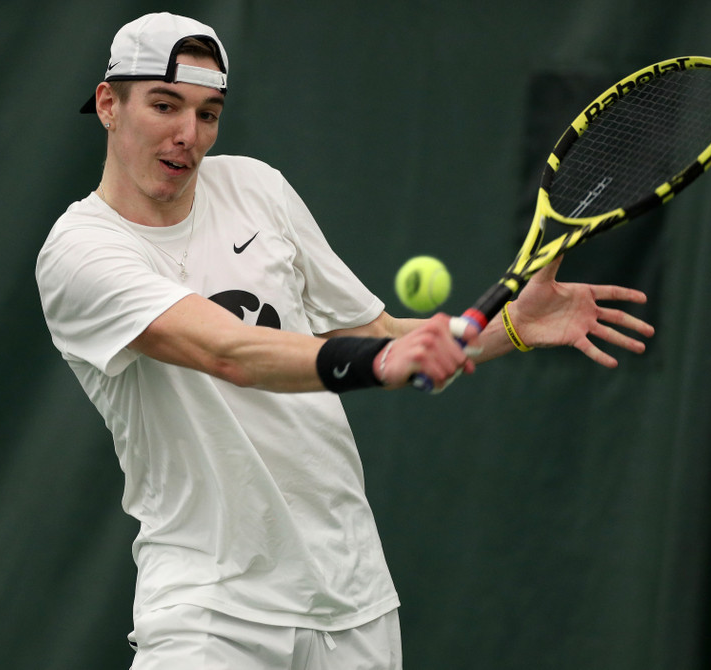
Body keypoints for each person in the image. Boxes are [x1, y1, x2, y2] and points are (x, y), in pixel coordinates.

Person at [35, 12, 655, 669]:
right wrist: (382, 361)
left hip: (353, 603)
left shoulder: (256, 189)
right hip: (210, 611)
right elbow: (231, 353)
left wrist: (509, 329)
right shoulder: (81, 254)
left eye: (209, 112)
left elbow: (372, 333)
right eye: (165, 105)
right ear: (110, 104)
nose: (189, 135)